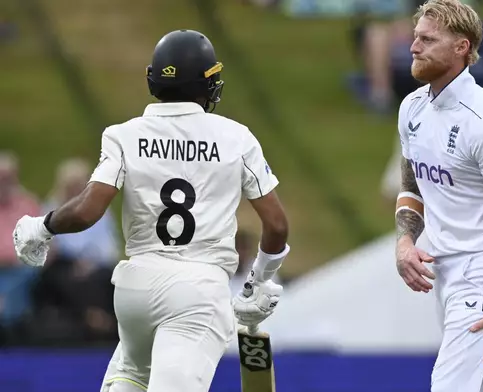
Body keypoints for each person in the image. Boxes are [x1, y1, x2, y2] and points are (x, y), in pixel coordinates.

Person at [12, 29, 290, 392]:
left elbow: (87, 209)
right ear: (206, 83)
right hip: (198, 291)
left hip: (134, 290)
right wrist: (259, 280)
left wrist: (42, 226)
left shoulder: (123, 134)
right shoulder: (236, 137)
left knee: (131, 375)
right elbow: (277, 225)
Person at [394, 1, 483, 391]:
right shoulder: (412, 108)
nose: (414, 47)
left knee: (449, 385)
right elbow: (412, 186)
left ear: (461, 47)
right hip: (445, 271)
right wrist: (406, 241)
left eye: (427, 39)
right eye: (415, 37)